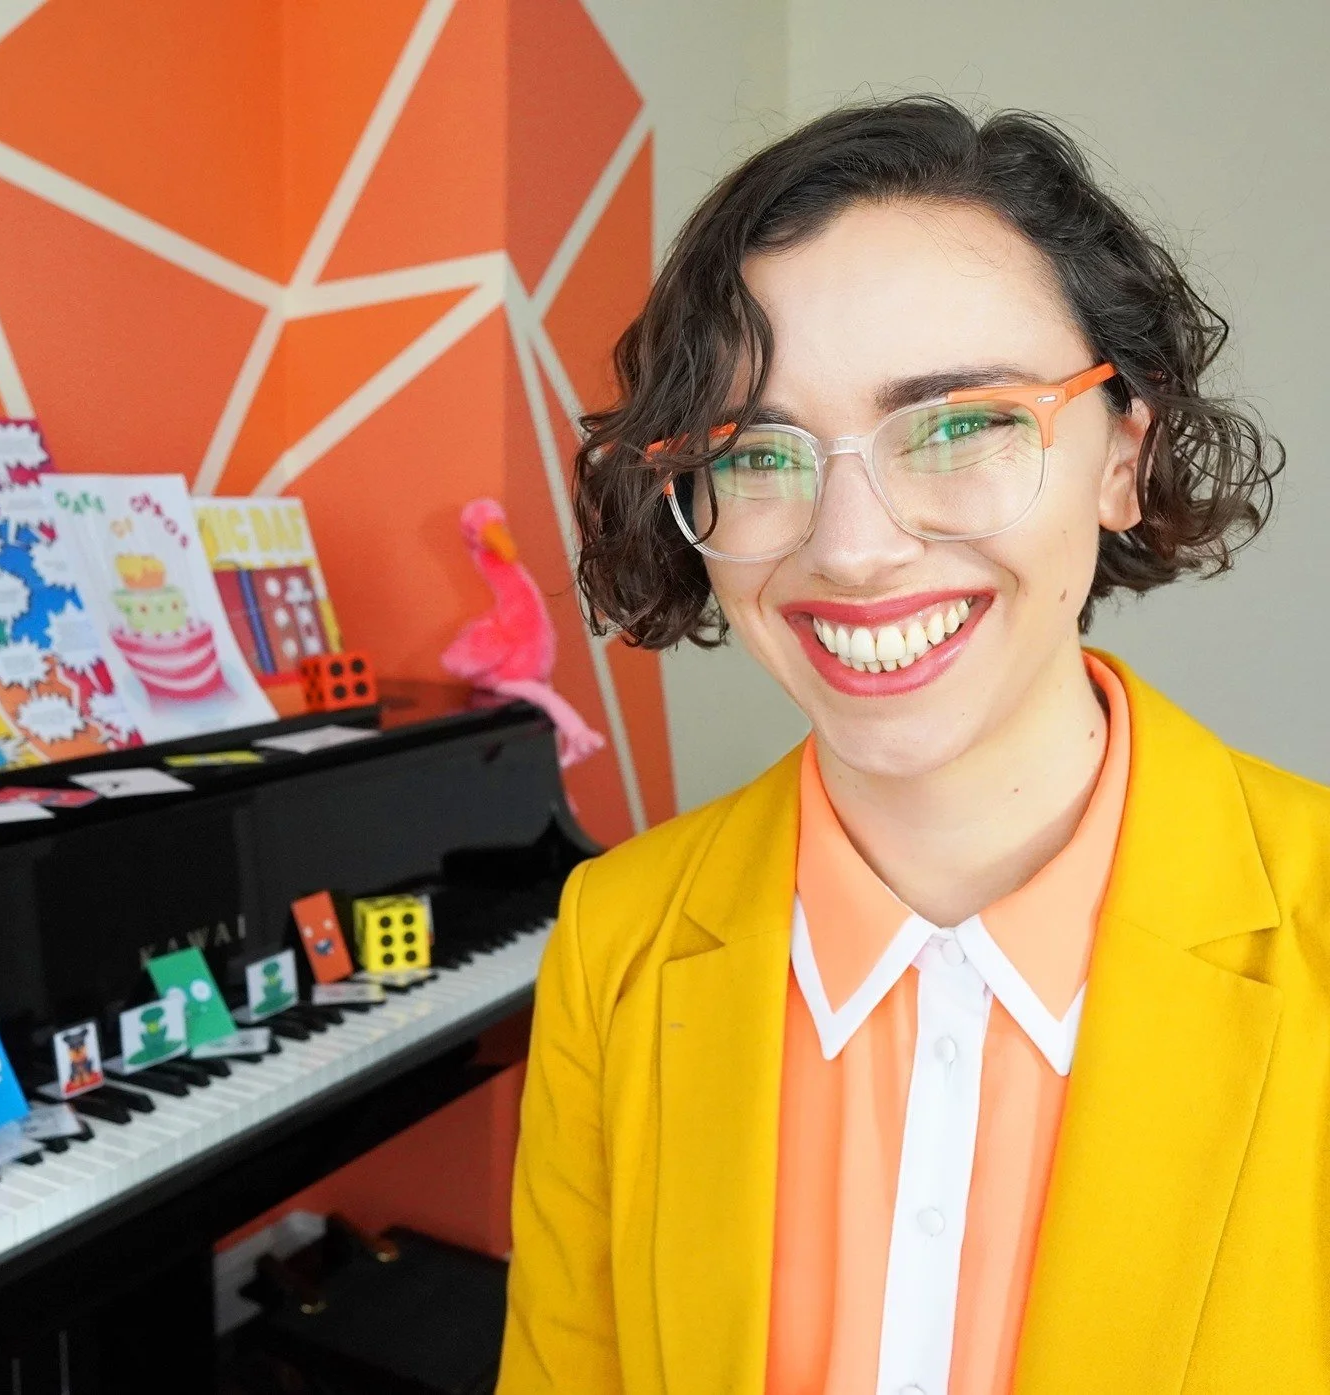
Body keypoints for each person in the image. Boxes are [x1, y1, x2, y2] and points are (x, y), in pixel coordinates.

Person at [500, 97, 1326, 1394]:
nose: (850, 547)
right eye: (755, 451)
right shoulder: (617, 939)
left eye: (957, 424)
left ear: (1122, 455)